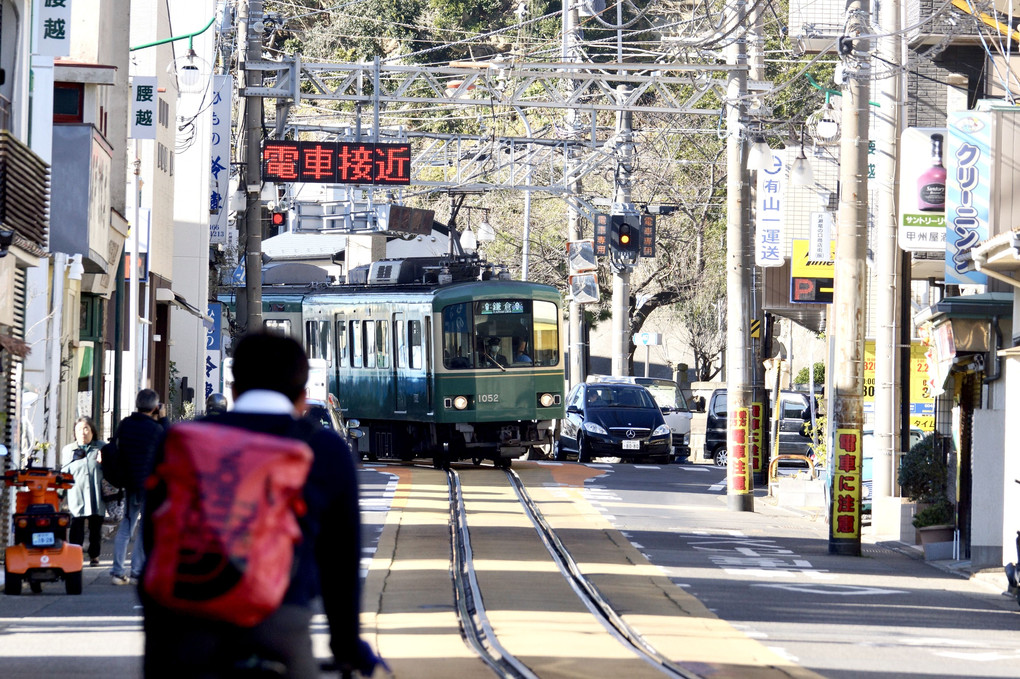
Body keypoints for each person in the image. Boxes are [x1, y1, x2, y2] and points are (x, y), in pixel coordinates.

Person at [141, 332, 381, 678]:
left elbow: (155, 539)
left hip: (182, 622)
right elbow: (339, 561)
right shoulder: (324, 448)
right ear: (302, 398)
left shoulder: (181, 440)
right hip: (278, 621)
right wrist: (346, 646)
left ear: (235, 390)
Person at [109, 388, 167, 586]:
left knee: (126, 525)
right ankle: (137, 571)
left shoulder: (125, 424)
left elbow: (116, 447)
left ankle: (117, 570)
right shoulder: (156, 429)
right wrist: (164, 419)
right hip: (149, 484)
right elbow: (167, 446)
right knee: (144, 529)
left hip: (129, 482)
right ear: (154, 407)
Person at [61, 417, 106, 567]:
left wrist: (106, 460)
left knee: (95, 528)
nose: (83, 432)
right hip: (77, 494)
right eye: (79, 429)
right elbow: (64, 473)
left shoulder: (101, 448)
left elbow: (112, 469)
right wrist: (60, 495)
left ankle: (94, 555)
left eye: (86, 428)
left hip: (96, 494)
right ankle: (75, 556)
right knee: (76, 527)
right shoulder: (68, 450)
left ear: (92, 431)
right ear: (74, 432)